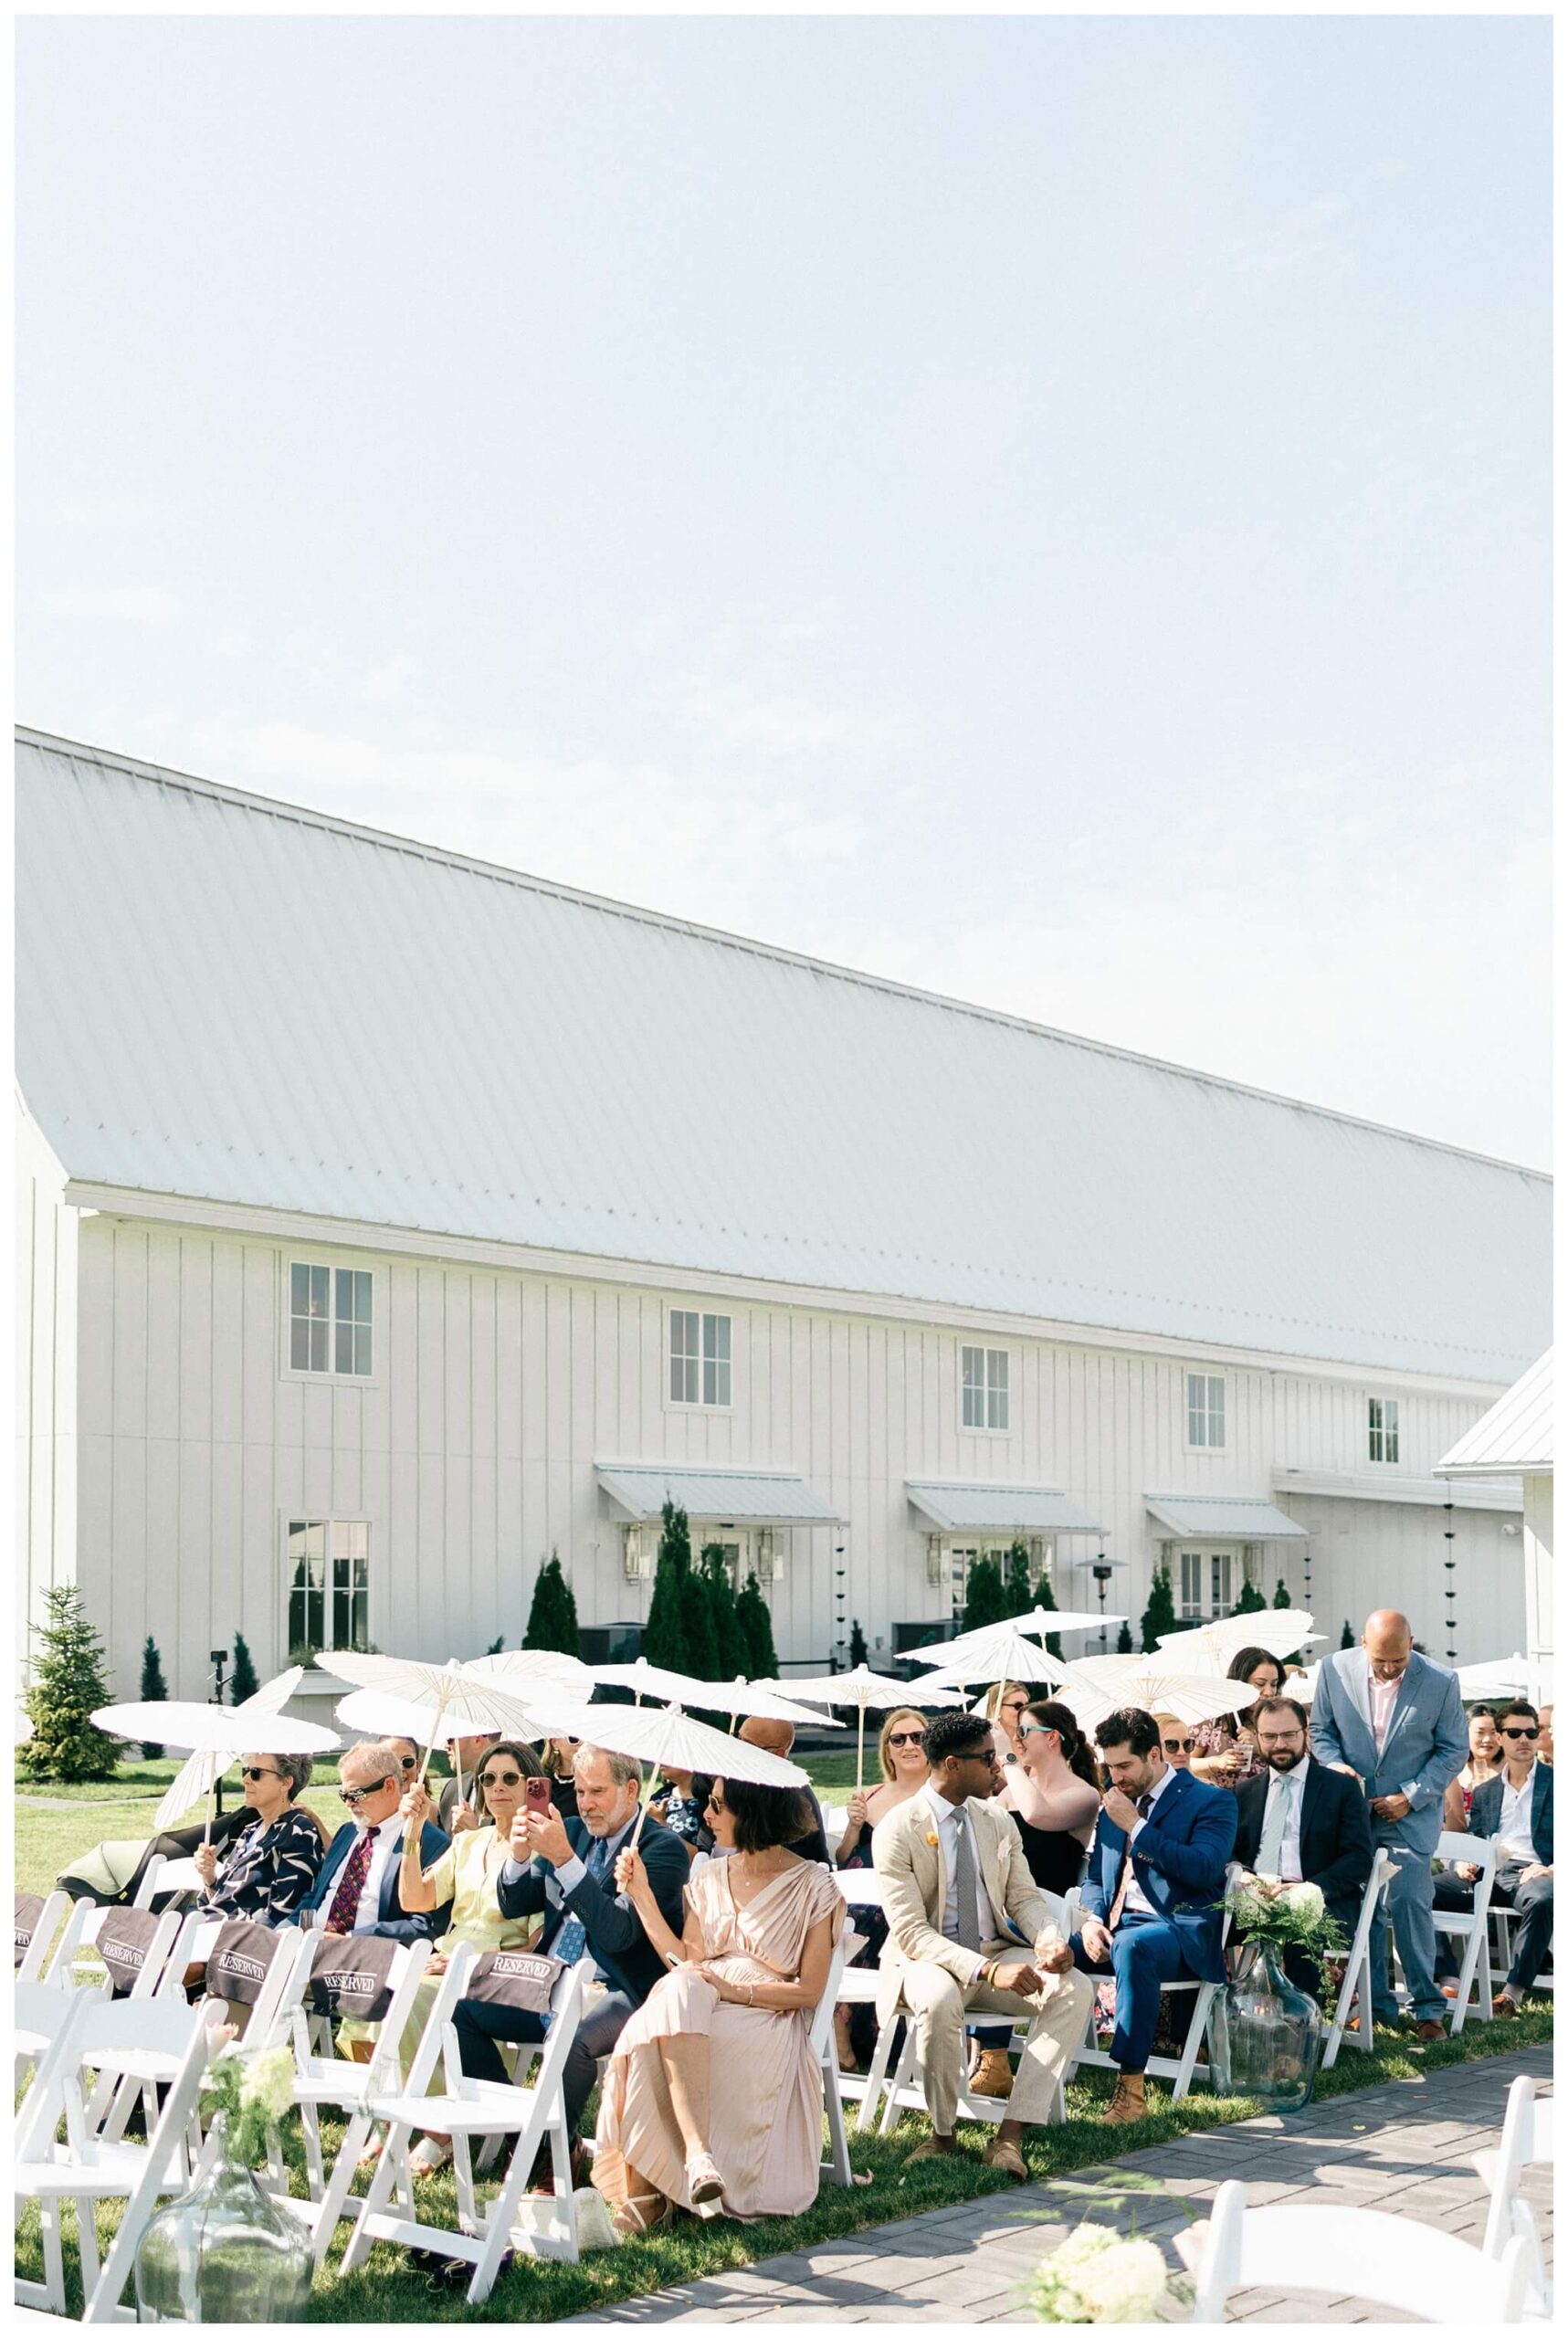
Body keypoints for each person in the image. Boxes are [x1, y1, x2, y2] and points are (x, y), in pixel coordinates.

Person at [594, 1777, 847, 2233]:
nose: (706, 1816)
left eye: (717, 1806)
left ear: (753, 1813)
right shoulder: (708, 1874)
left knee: (655, 2026)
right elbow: (685, 1962)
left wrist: (735, 1991)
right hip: (698, 1999)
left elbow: (809, 1991)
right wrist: (642, 1897)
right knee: (680, 1993)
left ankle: (649, 2194)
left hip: (766, 2013)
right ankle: (697, 2155)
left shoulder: (814, 1886)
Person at [871, 1707, 1093, 2179]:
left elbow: (1024, 1898)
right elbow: (911, 1931)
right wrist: (991, 1972)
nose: (999, 1767)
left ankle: (1010, 2135)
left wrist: (1050, 1939)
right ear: (952, 1765)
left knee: (1074, 1988)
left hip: (994, 1951)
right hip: (926, 1959)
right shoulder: (898, 1828)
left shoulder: (997, 1821)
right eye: (988, 1758)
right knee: (936, 1997)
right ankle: (943, 2134)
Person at [449, 1743, 689, 2169]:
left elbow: (618, 1935)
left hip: (621, 1986)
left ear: (631, 1790)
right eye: (579, 1792)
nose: (585, 1804)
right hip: (550, 1979)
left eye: (597, 1792)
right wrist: (520, 1856)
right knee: (462, 2011)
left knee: (573, 2043)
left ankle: (546, 2155)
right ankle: (521, 2134)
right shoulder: (574, 1830)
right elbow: (515, 1903)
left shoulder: (661, 1849)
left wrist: (563, 1857)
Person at [337, 1740, 548, 2132]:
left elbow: (536, 1942)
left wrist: (464, 1964)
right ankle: (389, 2118)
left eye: (509, 1778)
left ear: (531, 1784)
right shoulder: (469, 1842)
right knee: (370, 1991)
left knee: (413, 1998)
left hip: (491, 1971)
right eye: (488, 1778)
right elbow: (415, 1898)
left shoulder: (541, 1848)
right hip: (441, 1960)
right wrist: (414, 1833)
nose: (497, 1786)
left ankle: (435, 2130)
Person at [1068, 1706, 1237, 2124]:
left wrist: (1138, 1828)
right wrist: (1091, 1919)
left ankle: (1131, 2091)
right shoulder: (1114, 1801)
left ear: (1156, 1755)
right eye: (1109, 1767)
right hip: (1114, 1926)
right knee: (1037, 1939)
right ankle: (996, 2058)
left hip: (1177, 1930)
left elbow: (1202, 1869)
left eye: (1125, 1765)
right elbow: (1096, 1874)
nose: (1116, 1776)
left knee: (1132, 1946)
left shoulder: (1212, 1800)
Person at [1310, 1608, 1468, 2040]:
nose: (1390, 1668)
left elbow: (1454, 1750)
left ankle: (1428, 2008)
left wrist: (1412, 1796)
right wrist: (1336, 1766)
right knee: (1365, 1912)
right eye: (1381, 1661)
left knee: (1410, 1904)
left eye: (1399, 1660)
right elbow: (1320, 1732)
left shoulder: (1441, 1681)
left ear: (1411, 1643)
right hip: (1352, 1814)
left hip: (1409, 1815)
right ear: (1364, 1645)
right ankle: (1378, 2007)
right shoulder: (1333, 1669)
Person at [1231, 1697, 1373, 2001]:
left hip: (1319, 1899)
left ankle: (1298, 2037)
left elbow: (1359, 1858)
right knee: (1198, 1926)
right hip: (1255, 1899)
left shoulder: (1341, 1788)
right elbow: (1230, 1854)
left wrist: (1308, 1890)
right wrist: (1241, 1876)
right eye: (1270, 1736)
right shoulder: (1244, 1793)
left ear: (1305, 1732)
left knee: (1300, 1932)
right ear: (1256, 1737)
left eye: (1288, 1735)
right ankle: (1201, 2035)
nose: (1279, 1744)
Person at [1438, 1700, 1553, 2016]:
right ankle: (1450, 1979)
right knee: (1419, 1892)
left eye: (1531, 1732)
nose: (1524, 1739)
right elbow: (1475, 1836)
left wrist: (1552, 1869)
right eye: (1514, 1732)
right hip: (1487, 1871)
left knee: (1543, 1900)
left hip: (1535, 1872)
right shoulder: (1487, 1791)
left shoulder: (1557, 1782)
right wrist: (1461, 1862)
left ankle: (1512, 1993)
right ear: (1500, 1737)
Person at [832, 1707, 931, 2073]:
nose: (908, 1745)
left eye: (917, 1737)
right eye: (898, 1739)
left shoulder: (935, 1797)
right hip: (855, 1892)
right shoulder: (870, 1796)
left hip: (904, 1898)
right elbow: (844, 1859)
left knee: (861, 1917)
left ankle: (840, 2021)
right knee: (834, 1915)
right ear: (887, 1749)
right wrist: (854, 1828)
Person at [289, 1740, 450, 1943]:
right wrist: (286, 1929)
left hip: (366, 1959)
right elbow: (315, 1897)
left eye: (356, 1794)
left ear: (389, 1786)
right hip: (309, 1944)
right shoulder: (347, 1833)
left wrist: (349, 1940)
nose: (348, 1803)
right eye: (344, 1795)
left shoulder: (430, 1843)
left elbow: (423, 1926)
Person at [191, 1751, 326, 1924]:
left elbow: (281, 1915)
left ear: (286, 1782)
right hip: (213, 1930)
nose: (245, 1779)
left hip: (239, 1942)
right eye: (245, 1771)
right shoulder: (251, 1830)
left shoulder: (298, 1833)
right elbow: (220, 1901)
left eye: (256, 1774)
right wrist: (209, 1876)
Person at [736, 1716, 830, 1863]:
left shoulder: (786, 1794)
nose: (738, 1748)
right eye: (737, 1738)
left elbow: (765, 1863)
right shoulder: (751, 1782)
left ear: (777, 1754)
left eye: (747, 1744)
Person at [1188, 1648, 1286, 1789]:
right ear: (1241, 1681)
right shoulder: (1213, 1717)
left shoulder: (1280, 1721)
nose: (1269, 1692)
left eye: (1274, 1684)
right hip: (1216, 1804)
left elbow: (1294, 1766)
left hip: (1261, 1805)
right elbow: (1185, 1763)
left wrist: (1261, 1749)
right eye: (1260, 1684)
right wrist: (1216, 1762)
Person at [1442, 1705, 1504, 1833]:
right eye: (1480, 1732)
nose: (1487, 1739)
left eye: (1493, 1732)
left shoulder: (1510, 1770)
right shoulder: (1452, 1770)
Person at [438, 1731, 500, 1834]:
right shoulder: (451, 1789)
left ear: (477, 1739)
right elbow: (441, 1847)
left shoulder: (513, 1790)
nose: (446, 1746)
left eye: (450, 1739)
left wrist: (474, 1835)